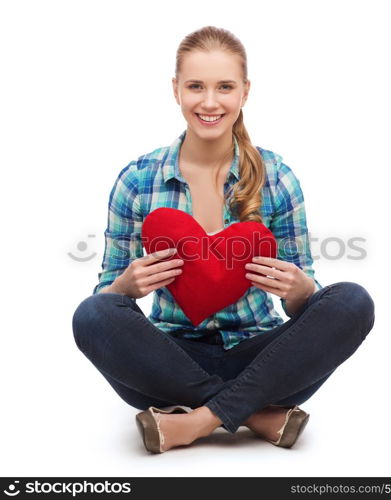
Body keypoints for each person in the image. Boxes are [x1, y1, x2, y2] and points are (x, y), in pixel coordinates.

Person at [72, 26, 375, 454]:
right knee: (92, 315)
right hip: (168, 362)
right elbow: (106, 298)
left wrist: (301, 290)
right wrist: (125, 287)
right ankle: (253, 413)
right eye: (196, 86)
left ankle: (196, 420)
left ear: (245, 93)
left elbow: (306, 306)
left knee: (353, 301)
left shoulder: (277, 179)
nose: (210, 102)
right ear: (175, 90)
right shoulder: (138, 180)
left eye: (224, 87)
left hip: (264, 358)